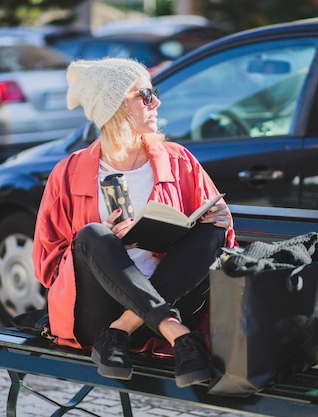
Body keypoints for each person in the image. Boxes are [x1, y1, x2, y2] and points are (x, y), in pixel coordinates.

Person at [32, 57, 235, 388]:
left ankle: (122, 331)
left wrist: (221, 223)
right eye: (145, 94)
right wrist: (105, 251)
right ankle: (176, 334)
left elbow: (223, 247)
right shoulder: (67, 173)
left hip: (171, 300)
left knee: (212, 232)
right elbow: (47, 266)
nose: (157, 102)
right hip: (98, 314)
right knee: (92, 235)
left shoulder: (180, 161)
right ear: (114, 107)